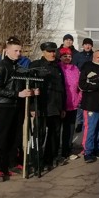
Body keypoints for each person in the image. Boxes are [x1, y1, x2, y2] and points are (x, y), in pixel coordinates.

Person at [0, 37, 37, 181]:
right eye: (15, 51)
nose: (18, 53)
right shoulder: (0, 67)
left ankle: (11, 163)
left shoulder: (19, 68)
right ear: (7, 51)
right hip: (4, 106)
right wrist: (17, 94)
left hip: (18, 106)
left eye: (20, 51)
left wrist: (31, 91)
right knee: (1, 137)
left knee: (15, 137)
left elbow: (22, 86)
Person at [30, 41, 66, 171]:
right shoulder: (35, 66)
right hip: (41, 107)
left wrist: (63, 107)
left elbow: (62, 88)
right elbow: (29, 86)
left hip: (56, 107)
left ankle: (49, 159)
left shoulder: (58, 67)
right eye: (49, 51)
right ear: (43, 52)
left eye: (54, 51)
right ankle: (36, 162)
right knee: (39, 135)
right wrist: (32, 108)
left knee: (54, 135)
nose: (52, 54)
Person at [79, 50, 99, 163]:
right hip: (91, 104)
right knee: (90, 128)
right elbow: (82, 85)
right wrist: (98, 84)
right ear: (93, 57)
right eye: (98, 57)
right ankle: (88, 151)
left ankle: (96, 147)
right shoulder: (87, 66)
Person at [58, 47, 82, 164]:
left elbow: (79, 85)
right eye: (65, 56)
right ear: (60, 57)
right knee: (58, 129)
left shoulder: (75, 68)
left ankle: (66, 150)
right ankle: (55, 151)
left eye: (69, 56)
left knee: (70, 128)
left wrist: (79, 97)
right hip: (61, 103)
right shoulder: (58, 68)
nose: (67, 58)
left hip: (73, 103)